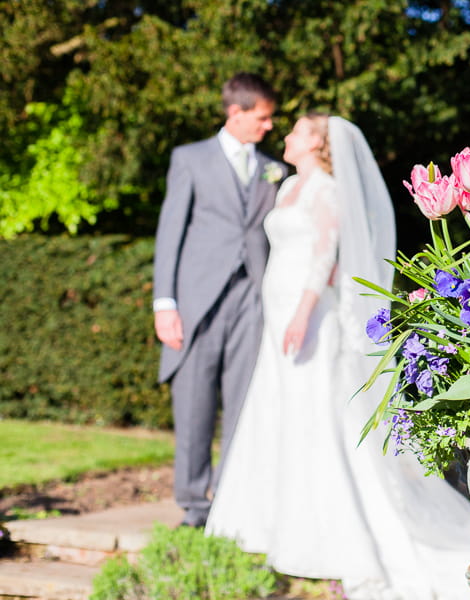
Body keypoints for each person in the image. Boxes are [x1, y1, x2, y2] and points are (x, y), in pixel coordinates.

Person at [206, 113, 470, 599]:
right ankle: (270, 524)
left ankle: (329, 533)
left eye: (296, 131)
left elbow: (324, 255)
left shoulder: (327, 190)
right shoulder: (288, 186)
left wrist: (303, 312)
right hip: (279, 315)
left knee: (318, 415)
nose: (286, 136)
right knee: (279, 411)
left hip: (308, 318)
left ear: (317, 142)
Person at [152, 73, 285, 528]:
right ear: (237, 113)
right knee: (193, 402)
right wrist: (164, 303)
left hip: (254, 297)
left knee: (244, 401)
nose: (269, 127)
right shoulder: (189, 159)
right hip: (196, 300)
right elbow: (170, 232)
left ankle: (230, 502)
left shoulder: (274, 169)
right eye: (262, 118)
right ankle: (193, 505)